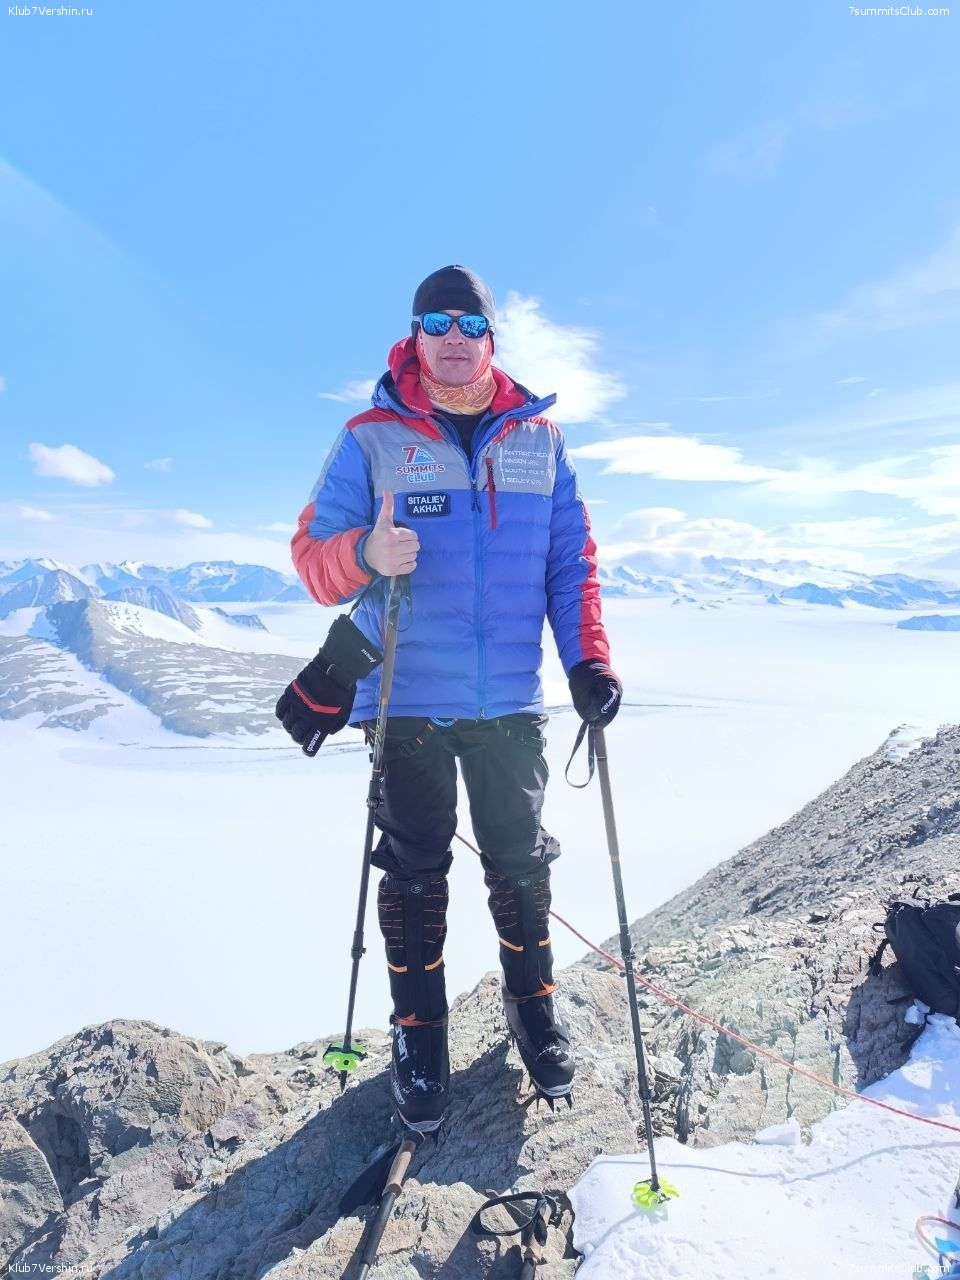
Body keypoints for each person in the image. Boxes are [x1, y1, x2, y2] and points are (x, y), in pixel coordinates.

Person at [276, 265, 621, 1133]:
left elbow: (570, 564)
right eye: (437, 322)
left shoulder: (541, 439)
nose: (454, 338)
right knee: (414, 878)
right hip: (406, 701)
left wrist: (588, 661)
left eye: (470, 323)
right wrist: (366, 553)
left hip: (508, 701)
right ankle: (418, 1035)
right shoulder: (370, 437)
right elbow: (313, 560)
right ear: (415, 335)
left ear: (492, 337)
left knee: (521, 866)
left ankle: (533, 1008)